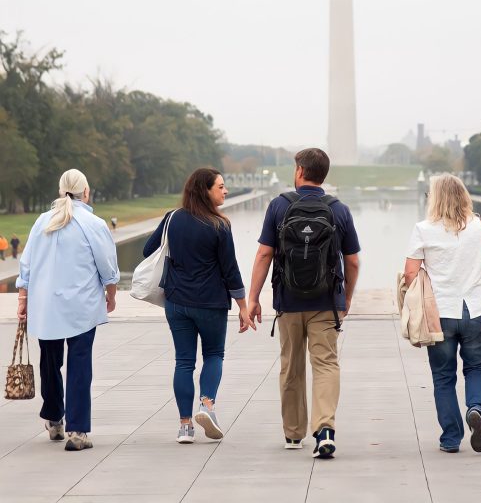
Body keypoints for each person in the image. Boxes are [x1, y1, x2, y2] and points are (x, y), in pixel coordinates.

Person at [247, 148, 360, 458]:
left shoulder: (278, 206)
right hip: (326, 302)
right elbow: (352, 261)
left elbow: (263, 254)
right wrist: (346, 298)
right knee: (325, 364)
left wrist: (253, 298)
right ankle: (324, 429)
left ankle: (294, 434)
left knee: (291, 366)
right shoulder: (339, 210)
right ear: (324, 175)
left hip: (288, 300)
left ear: (299, 171)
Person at [143, 168, 254, 444]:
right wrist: (243, 305)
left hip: (177, 301)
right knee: (214, 354)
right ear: (205, 190)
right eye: (220, 186)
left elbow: (148, 250)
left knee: (184, 362)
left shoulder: (173, 218)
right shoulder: (219, 224)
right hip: (210, 302)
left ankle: (185, 427)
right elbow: (230, 270)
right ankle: (207, 406)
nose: (225, 191)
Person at [16, 169, 120, 451]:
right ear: (86, 192)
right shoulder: (93, 223)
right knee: (79, 366)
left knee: (50, 365)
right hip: (81, 307)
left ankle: (54, 418)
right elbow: (107, 267)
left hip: (46, 306)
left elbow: (26, 265)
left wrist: (23, 299)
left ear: (61, 191)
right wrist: (111, 294)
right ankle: (77, 430)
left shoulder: (41, 222)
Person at [403, 173, 481, 454]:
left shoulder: (423, 229)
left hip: (441, 312)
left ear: (434, 198)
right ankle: (476, 409)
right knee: (476, 368)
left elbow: (410, 273)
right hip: (477, 310)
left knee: (444, 376)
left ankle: (450, 437)